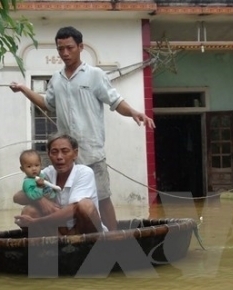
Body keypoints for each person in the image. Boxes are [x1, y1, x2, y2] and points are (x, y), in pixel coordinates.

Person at [10, 26, 156, 231]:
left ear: (81, 47)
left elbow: (115, 101)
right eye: (60, 49)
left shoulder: (95, 75)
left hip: (91, 152)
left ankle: (114, 239)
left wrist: (133, 112)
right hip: (66, 155)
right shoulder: (57, 79)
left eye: (70, 48)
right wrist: (24, 89)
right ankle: (66, 239)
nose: (65, 53)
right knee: (61, 199)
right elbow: (46, 104)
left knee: (103, 198)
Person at [14, 133, 107, 236]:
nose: (59, 157)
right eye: (54, 152)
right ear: (49, 154)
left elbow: (74, 209)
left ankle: (90, 247)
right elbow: (17, 197)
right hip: (59, 231)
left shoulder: (84, 172)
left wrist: (36, 222)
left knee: (85, 205)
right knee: (29, 211)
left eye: (65, 151)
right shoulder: (46, 173)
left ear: (75, 154)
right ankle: (53, 249)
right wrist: (41, 200)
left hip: (82, 230)